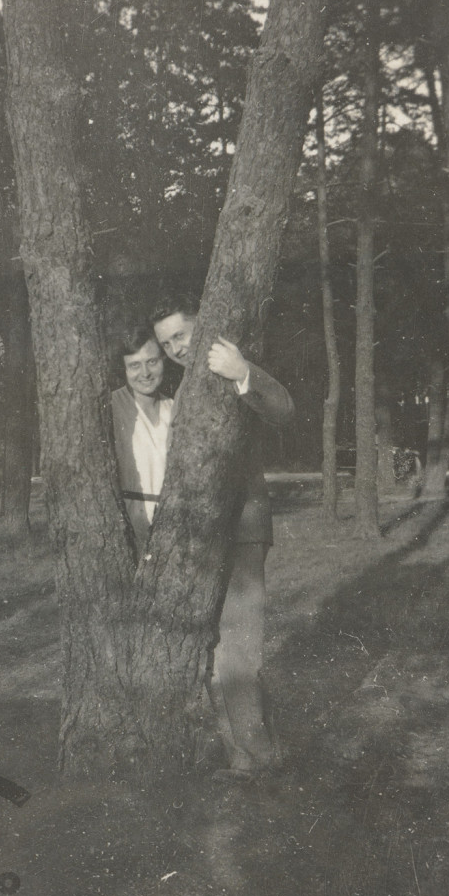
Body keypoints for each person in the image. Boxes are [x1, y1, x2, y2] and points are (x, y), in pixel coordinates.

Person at [151, 295, 295, 783]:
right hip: (199, 535)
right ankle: (243, 755)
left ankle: (262, 758)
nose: (175, 347)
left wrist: (242, 372)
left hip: (242, 530)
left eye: (181, 334)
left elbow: (284, 410)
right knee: (212, 649)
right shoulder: (183, 386)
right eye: (166, 341)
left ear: (202, 326)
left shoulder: (229, 366)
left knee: (238, 650)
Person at [111, 324, 173, 555]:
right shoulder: (112, 407)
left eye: (152, 362)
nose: (145, 373)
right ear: (124, 369)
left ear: (163, 360)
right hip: (129, 519)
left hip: (172, 520)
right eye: (134, 365)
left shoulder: (175, 408)